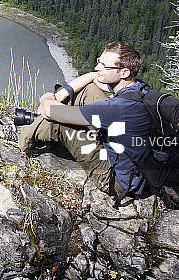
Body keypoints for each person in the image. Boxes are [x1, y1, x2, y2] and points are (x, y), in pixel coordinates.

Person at [18, 41, 152, 200]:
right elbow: (94, 77)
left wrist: (47, 98)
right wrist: (62, 94)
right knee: (89, 90)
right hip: (131, 159)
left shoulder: (117, 108)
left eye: (105, 66)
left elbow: (49, 111)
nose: (97, 68)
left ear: (123, 72)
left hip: (115, 179)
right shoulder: (138, 89)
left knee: (58, 123)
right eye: (99, 62)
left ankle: (22, 148)